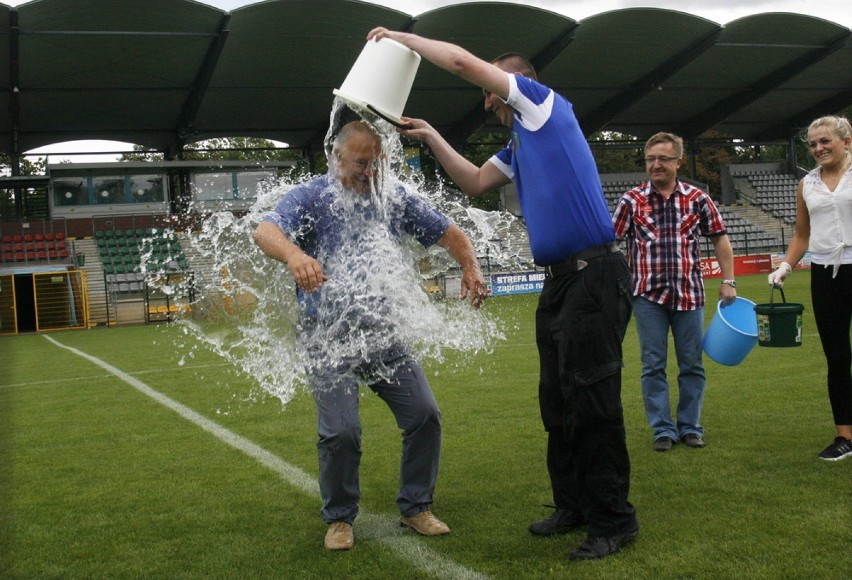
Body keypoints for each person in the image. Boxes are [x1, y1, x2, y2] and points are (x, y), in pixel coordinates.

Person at [366, 28, 639, 561]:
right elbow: (471, 181)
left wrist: (402, 35)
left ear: (517, 83)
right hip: (562, 282)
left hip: (595, 277)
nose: (487, 101)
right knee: (557, 401)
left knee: (593, 400)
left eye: (492, 92)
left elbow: (464, 62)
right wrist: (431, 136)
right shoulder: (520, 145)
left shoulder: (542, 106)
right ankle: (573, 507)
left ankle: (614, 520)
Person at [253, 120, 488, 550]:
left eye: (377, 163)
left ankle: (416, 507)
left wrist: (470, 265)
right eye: (361, 162)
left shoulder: (391, 197)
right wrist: (295, 254)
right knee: (341, 432)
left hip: (384, 337)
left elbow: (449, 233)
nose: (369, 171)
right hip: (327, 338)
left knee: (425, 416)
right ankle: (340, 519)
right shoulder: (312, 197)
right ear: (336, 157)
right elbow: (264, 230)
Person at [612, 132, 736, 453]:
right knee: (653, 364)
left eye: (663, 159)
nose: (656, 165)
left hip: (689, 294)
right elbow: (611, 243)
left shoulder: (698, 198)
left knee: (691, 364)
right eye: (651, 159)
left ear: (678, 162)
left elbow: (720, 238)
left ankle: (691, 426)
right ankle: (662, 429)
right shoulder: (631, 200)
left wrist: (729, 279)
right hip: (647, 297)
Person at [768, 115, 852, 462]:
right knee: (837, 356)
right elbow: (802, 235)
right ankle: (844, 436)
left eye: (825, 141)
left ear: (846, 141)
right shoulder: (807, 184)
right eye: (813, 144)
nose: (818, 148)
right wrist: (786, 266)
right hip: (825, 275)